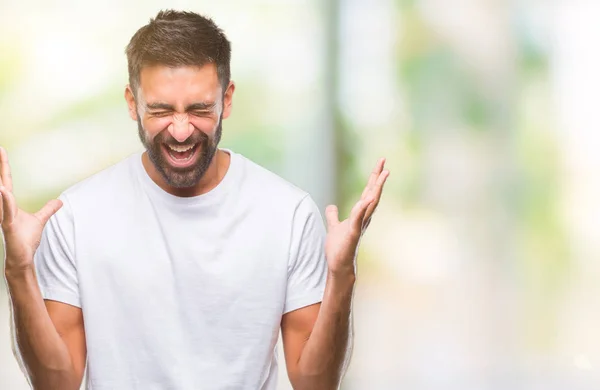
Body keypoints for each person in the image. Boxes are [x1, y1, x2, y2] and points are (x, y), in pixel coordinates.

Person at [1, 10, 389, 390]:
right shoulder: (76, 216)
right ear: (133, 103)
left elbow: (316, 383)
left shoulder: (287, 213)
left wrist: (342, 275)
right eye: (161, 110)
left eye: (200, 109)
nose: (182, 131)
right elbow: (55, 384)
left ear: (227, 99)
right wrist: (19, 268)